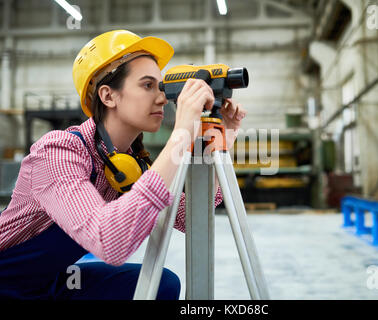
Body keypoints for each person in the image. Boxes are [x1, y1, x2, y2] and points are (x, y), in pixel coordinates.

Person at [0, 30, 247, 300]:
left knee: (162, 284)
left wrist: (219, 137)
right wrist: (181, 135)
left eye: (161, 86)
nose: (163, 98)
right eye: (147, 85)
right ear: (108, 96)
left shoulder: (125, 165)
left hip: (54, 283)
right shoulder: (58, 152)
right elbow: (109, 242)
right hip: (7, 284)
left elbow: (190, 218)